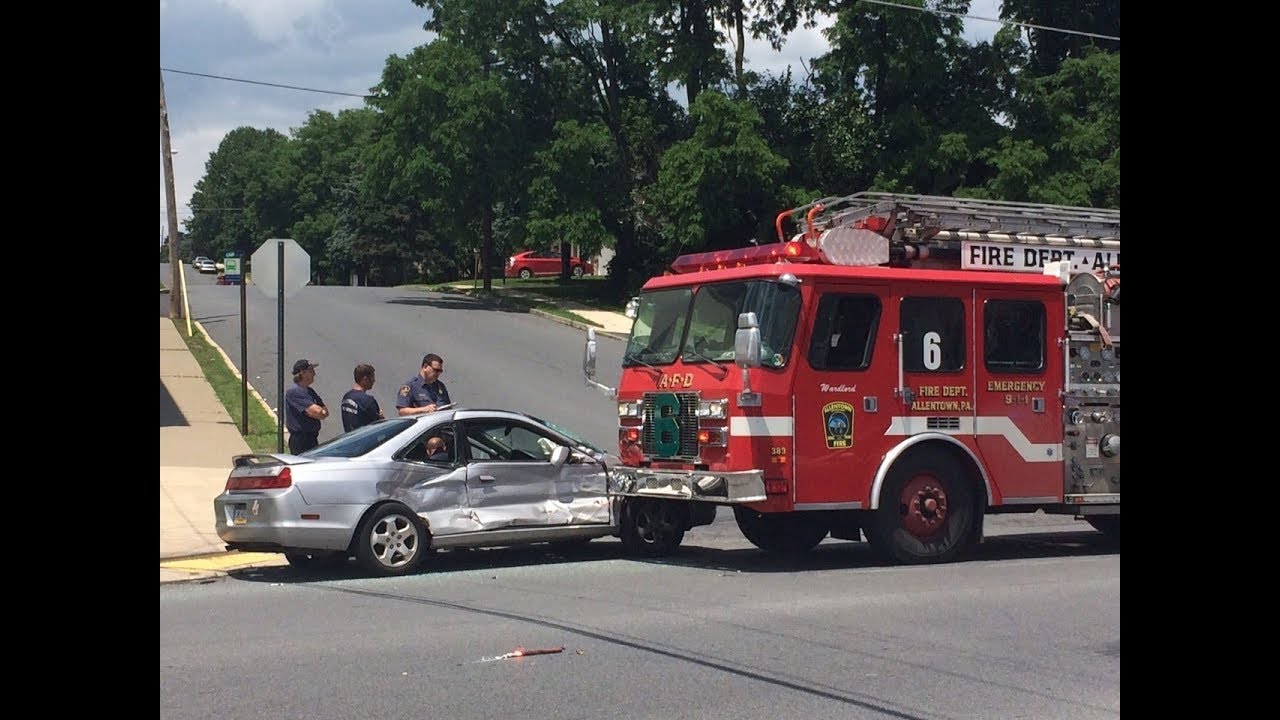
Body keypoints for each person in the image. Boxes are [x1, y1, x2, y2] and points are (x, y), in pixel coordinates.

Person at [285, 359, 328, 454]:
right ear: (303, 373)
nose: (314, 374)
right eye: (311, 371)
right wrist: (318, 412)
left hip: (312, 438)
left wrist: (318, 412)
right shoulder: (294, 392)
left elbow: (325, 411)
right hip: (301, 441)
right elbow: (318, 412)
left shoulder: (310, 391)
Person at [340, 363, 383, 432]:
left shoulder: (346, 397)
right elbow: (379, 424)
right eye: (372, 377)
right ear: (365, 379)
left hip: (349, 439)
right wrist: (381, 417)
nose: (374, 380)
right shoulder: (368, 400)